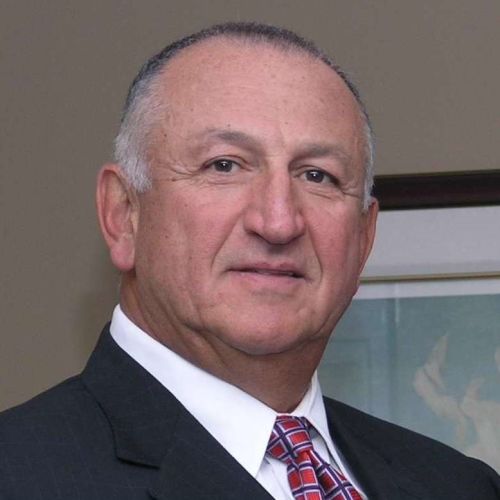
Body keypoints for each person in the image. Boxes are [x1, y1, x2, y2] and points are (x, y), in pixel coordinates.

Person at [0, 22, 498, 500]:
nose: (278, 222)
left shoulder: (459, 485)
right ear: (124, 214)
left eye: (318, 175)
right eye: (224, 165)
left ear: (364, 237)